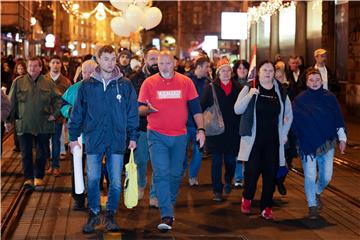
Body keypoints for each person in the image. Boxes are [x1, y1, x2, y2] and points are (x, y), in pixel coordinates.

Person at [68, 45, 139, 233]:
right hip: (94, 139)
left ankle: (110, 214)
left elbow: (132, 112)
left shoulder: (124, 84)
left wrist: (133, 135)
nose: (110, 62)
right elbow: (77, 113)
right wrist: (73, 136)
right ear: (98, 60)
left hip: (116, 140)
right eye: (106, 58)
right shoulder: (87, 85)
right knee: (92, 178)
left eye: (113, 58)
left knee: (115, 180)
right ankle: (93, 212)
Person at [138, 50, 205, 232]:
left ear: (174, 63)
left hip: (179, 136)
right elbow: (139, 109)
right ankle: (166, 215)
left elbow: (195, 108)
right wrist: (148, 110)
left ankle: (169, 204)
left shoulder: (185, 82)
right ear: (157, 65)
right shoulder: (149, 83)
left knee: (175, 174)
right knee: (160, 173)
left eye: (168, 63)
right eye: (161, 64)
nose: (165, 67)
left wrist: (201, 129)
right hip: (156, 134)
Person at [234, 61, 293, 220]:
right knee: (252, 173)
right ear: (258, 72)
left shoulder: (280, 90)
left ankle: (267, 207)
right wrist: (250, 95)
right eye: (264, 70)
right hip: (254, 141)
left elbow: (288, 114)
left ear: (274, 73)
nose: (268, 73)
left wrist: (285, 133)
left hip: (273, 141)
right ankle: (247, 198)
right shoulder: (250, 86)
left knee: (270, 175)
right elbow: (237, 109)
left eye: (270, 70)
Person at [292, 68, 346, 220]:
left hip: (327, 143)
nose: (315, 83)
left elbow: (338, 118)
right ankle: (312, 205)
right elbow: (294, 121)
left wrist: (342, 138)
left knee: (327, 176)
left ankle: (316, 191)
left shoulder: (330, 98)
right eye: (311, 80)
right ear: (307, 82)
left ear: (322, 80)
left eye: (317, 79)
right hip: (307, 144)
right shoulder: (300, 100)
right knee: (309, 175)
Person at [6, 57, 61, 190]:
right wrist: (8, 120)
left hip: (43, 124)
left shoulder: (48, 83)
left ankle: (39, 176)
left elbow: (58, 100)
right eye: (30, 66)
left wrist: (55, 114)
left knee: (42, 152)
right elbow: (11, 103)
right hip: (24, 124)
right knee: (26, 153)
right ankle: (28, 178)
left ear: (41, 68)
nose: (32, 68)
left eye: (35, 66)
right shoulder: (18, 82)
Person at [201, 58, 241, 201]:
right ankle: (217, 190)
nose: (225, 73)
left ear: (231, 72)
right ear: (218, 73)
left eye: (228, 70)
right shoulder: (210, 87)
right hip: (216, 130)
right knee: (216, 161)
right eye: (223, 70)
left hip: (233, 130)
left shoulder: (238, 88)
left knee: (231, 161)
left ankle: (228, 179)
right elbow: (202, 106)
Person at [61, 59, 98, 210]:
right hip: (77, 136)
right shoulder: (74, 88)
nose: (88, 75)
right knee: (76, 167)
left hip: (95, 136)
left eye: (91, 72)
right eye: (85, 72)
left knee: (94, 169)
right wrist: (69, 111)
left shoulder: (101, 89)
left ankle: (93, 196)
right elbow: (62, 105)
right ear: (81, 73)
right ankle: (78, 197)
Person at [129, 48, 159, 205]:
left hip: (160, 127)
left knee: (157, 163)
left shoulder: (164, 78)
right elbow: (130, 103)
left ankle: (154, 194)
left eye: (157, 59)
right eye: (152, 59)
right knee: (141, 161)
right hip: (141, 127)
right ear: (145, 60)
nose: (155, 62)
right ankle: (141, 185)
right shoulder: (134, 79)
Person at [183, 56, 211, 186]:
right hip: (184, 123)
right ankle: (180, 172)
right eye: (206, 66)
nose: (208, 69)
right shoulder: (185, 80)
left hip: (199, 124)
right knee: (182, 152)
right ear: (199, 67)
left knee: (198, 151)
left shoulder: (208, 82)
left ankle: (192, 176)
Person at [46, 55, 72, 177]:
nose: (55, 65)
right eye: (53, 62)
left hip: (58, 116)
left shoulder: (66, 82)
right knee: (43, 142)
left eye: (57, 62)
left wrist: (63, 116)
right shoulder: (43, 79)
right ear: (49, 64)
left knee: (56, 141)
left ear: (61, 65)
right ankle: (46, 164)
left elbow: (67, 101)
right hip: (43, 117)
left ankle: (55, 166)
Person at [232, 59, 250, 188]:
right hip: (235, 121)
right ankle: (238, 177)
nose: (242, 70)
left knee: (248, 150)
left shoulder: (253, 84)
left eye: (244, 68)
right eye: (239, 68)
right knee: (237, 151)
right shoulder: (233, 85)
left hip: (249, 122)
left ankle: (248, 176)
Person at [11, 60, 27, 152]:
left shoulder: (26, 79)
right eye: (18, 68)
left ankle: (23, 144)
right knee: (16, 127)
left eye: (22, 68)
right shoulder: (15, 79)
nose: (20, 70)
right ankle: (17, 144)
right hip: (16, 106)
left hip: (24, 106)